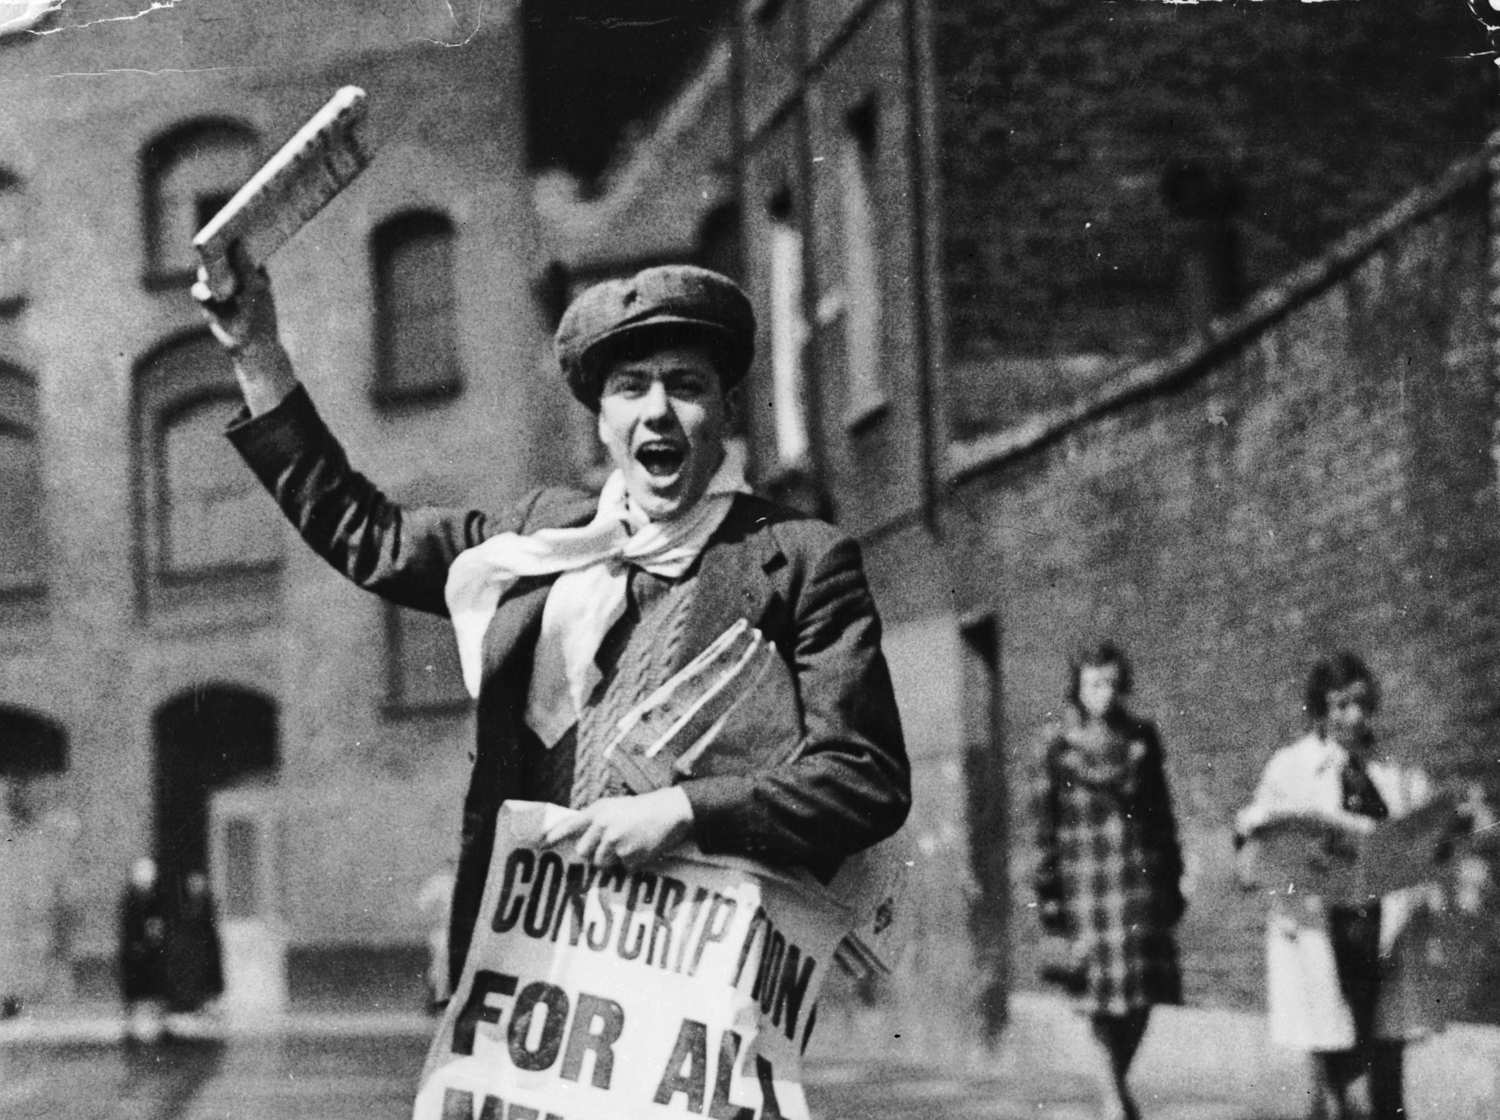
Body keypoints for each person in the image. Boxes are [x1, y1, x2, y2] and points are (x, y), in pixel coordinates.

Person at [194, 257, 911, 989]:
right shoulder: (545, 541)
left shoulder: (797, 559)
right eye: (629, 388)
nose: (657, 410)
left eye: (686, 385)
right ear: (602, 422)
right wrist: (257, 353)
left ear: (727, 411)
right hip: (535, 967)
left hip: (693, 980)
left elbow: (864, 779)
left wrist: (685, 810)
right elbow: (371, 536)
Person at [1235, 652, 1443, 1120]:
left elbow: (1426, 834)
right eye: (1341, 705)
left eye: (1363, 704)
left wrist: (1447, 833)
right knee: (1334, 1065)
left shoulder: (1395, 769)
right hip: (1321, 927)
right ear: (1320, 709)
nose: (1355, 716)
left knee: (1387, 1065)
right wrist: (1267, 838)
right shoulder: (1291, 766)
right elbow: (1256, 837)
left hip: (1385, 929)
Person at [1033, 642, 1185, 1120]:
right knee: (1098, 998)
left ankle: (1114, 1083)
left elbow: (1162, 815)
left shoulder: (1141, 739)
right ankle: (1113, 1099)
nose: (1106, 692)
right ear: (1078, 688)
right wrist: (1048, 894)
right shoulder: (1057, 745)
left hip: (1138, 881)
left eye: (1113, 683)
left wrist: (1173, 876)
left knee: (1142, 995)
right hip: (1085, 885)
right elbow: (1045, 826)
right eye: (1095, 683)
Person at [119, 855, 170, 1044]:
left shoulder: (156, 900)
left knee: (153, 989)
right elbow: (128, 929)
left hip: (152, 955)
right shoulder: (130, 901)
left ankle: (155, 1025)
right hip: (135, 956)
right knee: (137, 991)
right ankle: (136, 1025)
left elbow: (158, 926)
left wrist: (153, 940)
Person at [165, 869, 224, 1018]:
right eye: (193, 883)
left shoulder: (208, 906)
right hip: (190, 951)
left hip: (204, 951)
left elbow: (211, 932)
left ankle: (205, 1005)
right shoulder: (184, 907)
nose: (195, 886)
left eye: (198, 883)